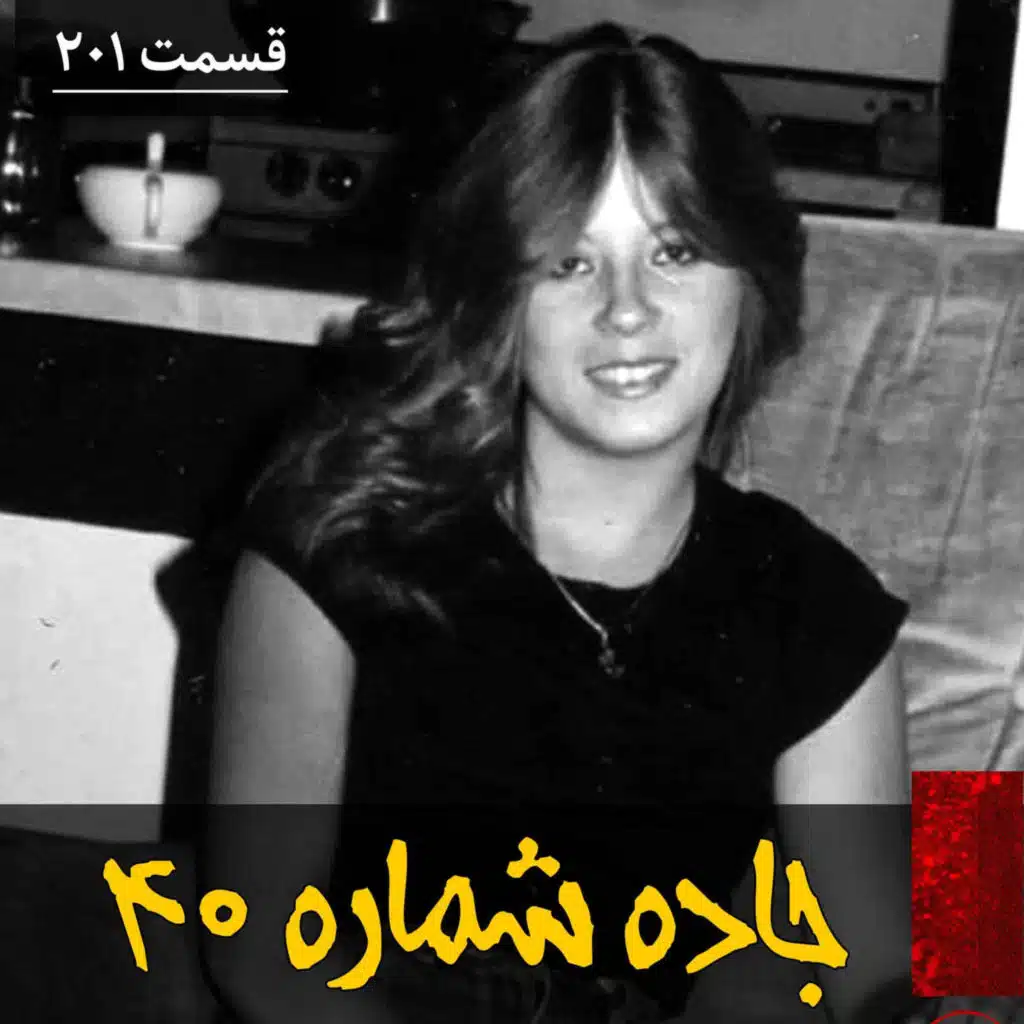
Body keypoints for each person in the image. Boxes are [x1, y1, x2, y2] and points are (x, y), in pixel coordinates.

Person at [199, 21, 917, 1024]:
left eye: (675, 251)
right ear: (495, 295)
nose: (627, 309)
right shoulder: (334, 552)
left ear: (749, 280)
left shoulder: (820, 608)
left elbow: (881, 978)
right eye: (570, 263)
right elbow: (264, 954)